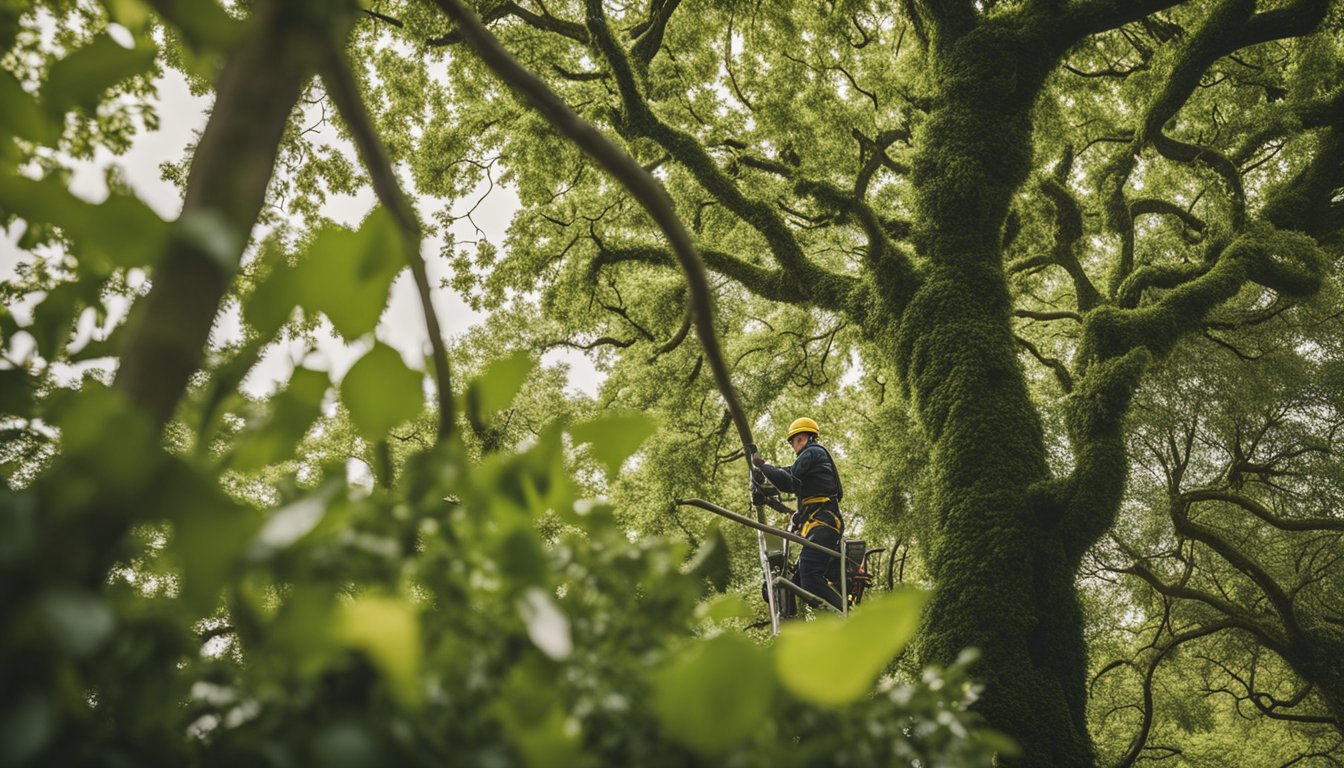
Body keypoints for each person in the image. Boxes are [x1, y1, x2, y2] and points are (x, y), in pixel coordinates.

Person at [753, 417, 845, 612]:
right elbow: (783, 474)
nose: (795, 445)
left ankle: (846, 613)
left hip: (824, 525)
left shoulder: (813, 452)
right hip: (820, 525)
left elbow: (787, 482)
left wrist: (761, 465)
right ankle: (792, 622)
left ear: (808, 438)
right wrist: (762, 482)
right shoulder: (811, 463)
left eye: (798, 439)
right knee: (799, 581)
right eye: (794, 441)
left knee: (810, 577)